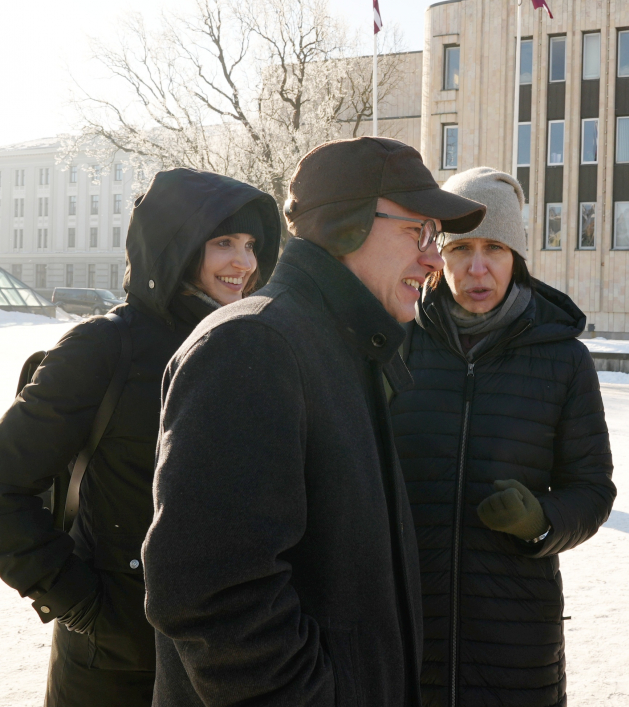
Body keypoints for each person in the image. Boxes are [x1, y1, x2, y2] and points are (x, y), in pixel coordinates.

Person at [142, 137, 486, 706]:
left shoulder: (346, 348)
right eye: (417, 232)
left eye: (435, 237)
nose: (433, 259)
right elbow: (213, 593)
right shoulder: (255, 344)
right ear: (347, 225)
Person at [0, 168, 279, 707]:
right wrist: (84, 607)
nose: (244, 263)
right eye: (223, 242)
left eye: (250, 244)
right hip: (114, 671)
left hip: (228, 666)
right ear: (175, 245)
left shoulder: (251, 345)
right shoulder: (105, 346)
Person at [390, 166, 616, 707]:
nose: (477, 267)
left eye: (494, 247)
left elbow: (593, 488)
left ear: (516, 258)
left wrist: (542, 524)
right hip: (404, 621)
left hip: (515, 632)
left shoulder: (563, 359)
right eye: (461, 247)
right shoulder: (395, 343)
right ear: (438, 255)